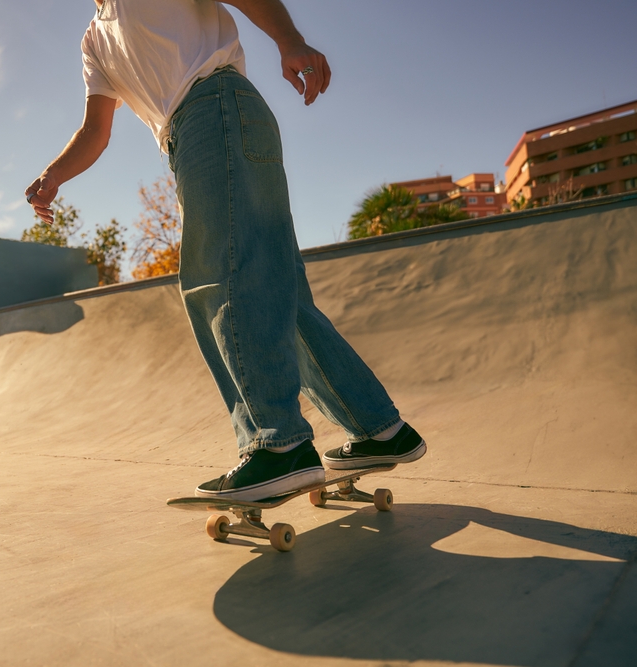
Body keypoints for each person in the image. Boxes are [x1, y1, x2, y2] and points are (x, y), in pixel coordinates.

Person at [25, 0, 425, 502]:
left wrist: (288, 40)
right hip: (199, 131)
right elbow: (95, 130)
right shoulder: (94, 41)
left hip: (213, 108)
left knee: (221, 279)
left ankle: (278, 446)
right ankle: (379, 430)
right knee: (278, 294)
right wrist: (53, 176)